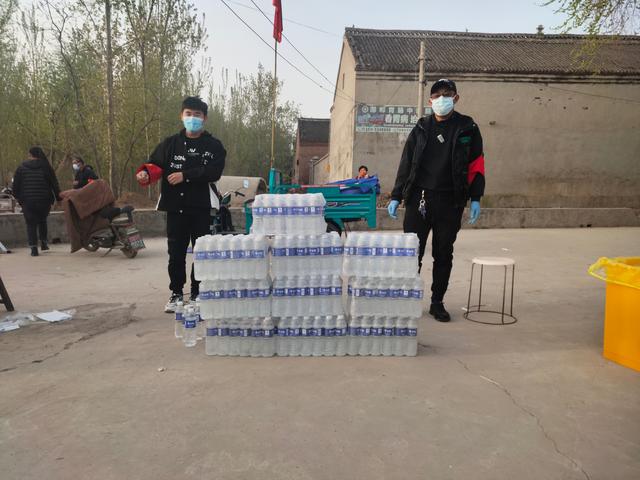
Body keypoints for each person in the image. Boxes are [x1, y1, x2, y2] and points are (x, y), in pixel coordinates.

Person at [387, 79, 485, 322]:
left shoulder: (468, 127)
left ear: (456, 98)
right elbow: (406, 163)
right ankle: (409, 300)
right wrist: (396, 195)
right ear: (430, 101)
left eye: (447, 94)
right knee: (412, 253)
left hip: (451, 201)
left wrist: (475, 197)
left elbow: (476, 164)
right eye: (437, 95)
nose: (442, 99)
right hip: (419, 200)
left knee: (443, 253)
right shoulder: (421, 127)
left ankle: (437, 302)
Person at [136, 96, 226, 312]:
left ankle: (198, 292)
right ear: (181, 116)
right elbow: (154, 165)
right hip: (175, 207)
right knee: (176, 253)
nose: (192, 118)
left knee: (201, 252)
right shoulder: (170, 144)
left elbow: (214, 172)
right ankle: (176, 293)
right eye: (188, 114)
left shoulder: (214, 146)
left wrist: (185, 175)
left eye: (197, 115)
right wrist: (144, 173)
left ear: (204, 118)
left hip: (201, 207)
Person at [12, 147, 62, 256]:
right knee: (42, 220)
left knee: (31, 223)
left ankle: (33, 248)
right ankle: (44, 243)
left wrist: (18, 198)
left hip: (28, 201)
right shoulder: (46, 167)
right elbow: (54, 184)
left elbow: (15, 185)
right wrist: (59, 199)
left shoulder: (21, 167)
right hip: (44, 200)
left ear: (30, 155)